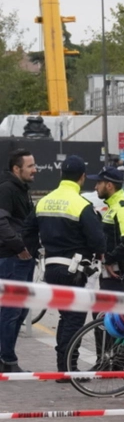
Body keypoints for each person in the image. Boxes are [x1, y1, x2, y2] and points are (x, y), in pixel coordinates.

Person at [36, 156, 107, 375]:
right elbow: (98, 241)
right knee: (74, 319)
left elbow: (28, 229)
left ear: (60, 175)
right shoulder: (82, 205)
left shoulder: (44, 201)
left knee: (65, 317)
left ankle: (63, 366)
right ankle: (68, 368)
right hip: (74, 271)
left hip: (51, 269)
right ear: (82, 177)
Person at [0, 149, 37, 372]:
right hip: (13, 258)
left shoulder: (21, 189)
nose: (35, 169)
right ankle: (8, 360)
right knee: (11, 311)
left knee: (20, 310)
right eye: (30, 165)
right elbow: (2, 222)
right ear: (17, 169)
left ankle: (6, 357)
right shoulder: (7, 189)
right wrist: (19, 246)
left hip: (23, 258)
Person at [93, 167, 124, 291]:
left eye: (98, 183)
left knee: (102, 310)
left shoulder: (123, 208)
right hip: (111, 274)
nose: (95, 187)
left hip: (118, 274)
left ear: (109, 185)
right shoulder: (113, 206)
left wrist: (108, 261)